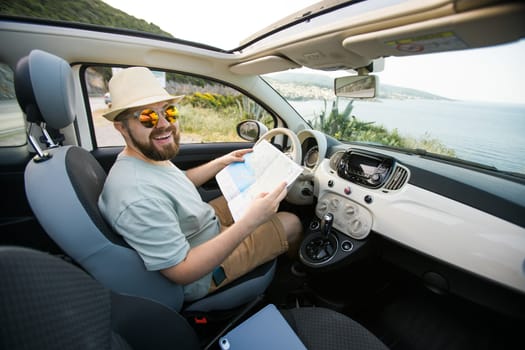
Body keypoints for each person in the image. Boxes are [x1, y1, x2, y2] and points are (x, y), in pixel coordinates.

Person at [98, 67, 303, 302]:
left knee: (263, 191)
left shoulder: (141, 158)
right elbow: (183, 271)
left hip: (198, 224)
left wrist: (222, 161)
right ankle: (294, 283)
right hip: (202, 271)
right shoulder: (136, 196)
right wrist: (250, 222)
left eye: (169, 112)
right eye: (147, 117)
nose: (164, 124)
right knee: (293, 222)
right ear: (121, 127)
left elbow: (176, 182)